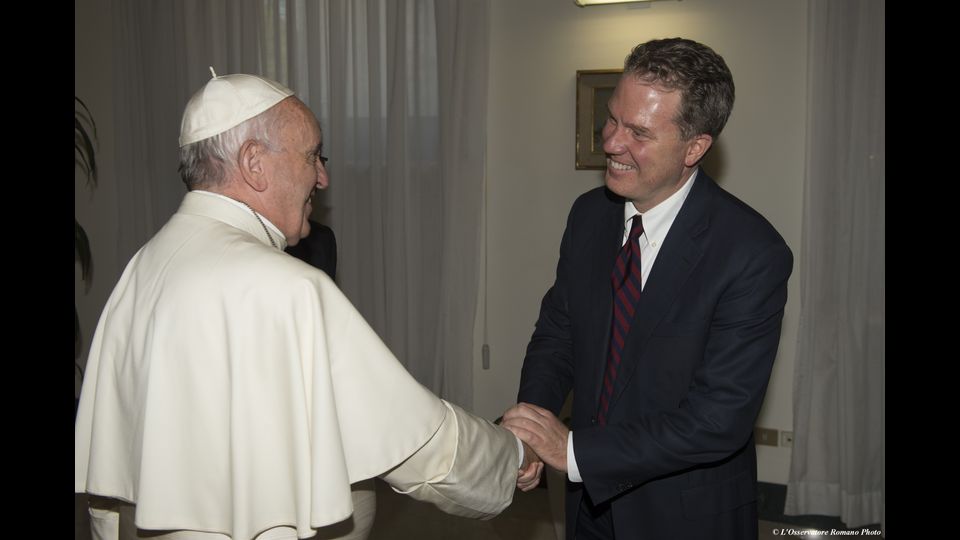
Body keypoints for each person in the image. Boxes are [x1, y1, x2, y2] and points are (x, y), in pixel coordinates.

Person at [75, 70, 540, 540]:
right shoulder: (285, 286)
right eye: (311, 155)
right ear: (254, 163)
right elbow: (420, 443)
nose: (322, 177)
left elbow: (109, 491)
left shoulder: (142, 267)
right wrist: (514, 455)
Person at [502, 38, 793, 539]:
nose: (612, 142)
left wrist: (572, 452)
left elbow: (716, 420)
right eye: (613, 118)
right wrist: (532, 431)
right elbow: (558, 335)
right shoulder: (589, 216)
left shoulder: (751, 252)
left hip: (682, 515)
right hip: (586, 504)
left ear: (694, 147)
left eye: (638, 132)